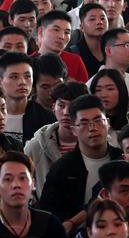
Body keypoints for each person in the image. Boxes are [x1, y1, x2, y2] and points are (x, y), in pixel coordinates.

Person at [40, 94, 123, 229]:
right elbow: (48, 212)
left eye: (98, 121)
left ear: (107, 123)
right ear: (74, 130)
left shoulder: (121, 160)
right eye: (84, 123)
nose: (92, 128)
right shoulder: (62, 168)